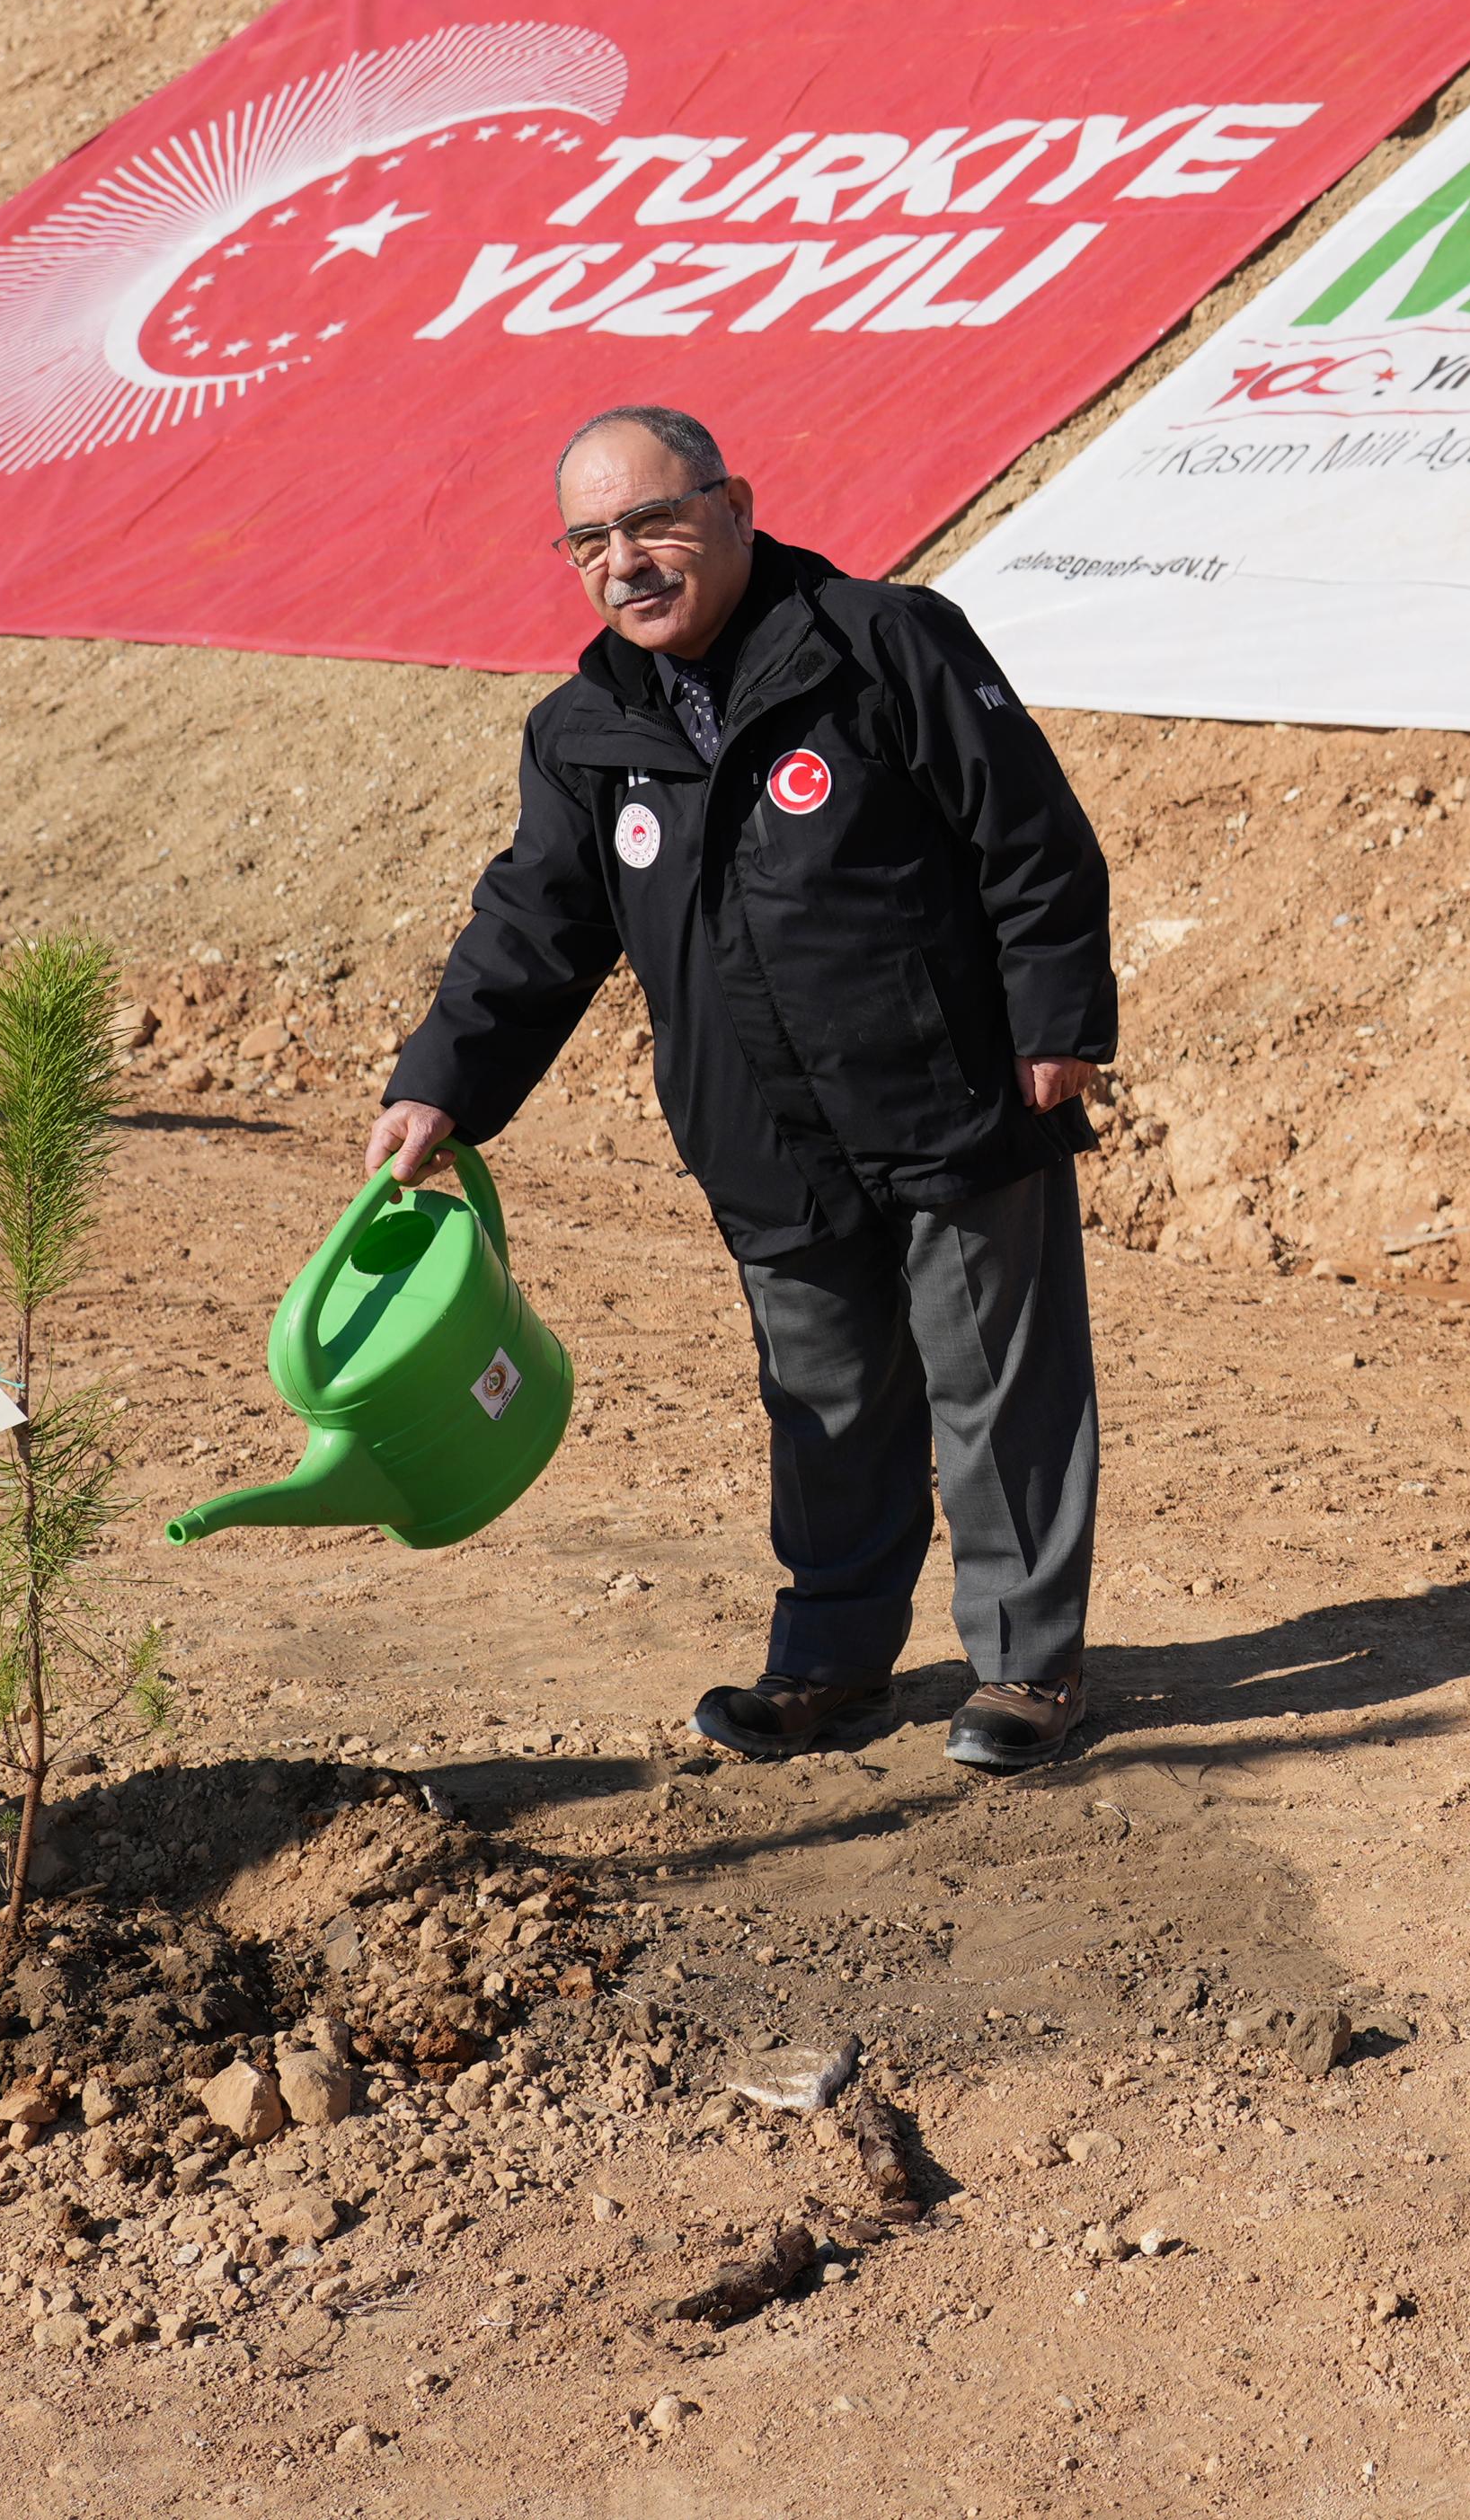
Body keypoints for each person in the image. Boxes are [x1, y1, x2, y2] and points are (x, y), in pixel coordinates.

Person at [369, 406, 1117, 1772]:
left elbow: (1031, 837)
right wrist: (443, 1086)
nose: (627, 559)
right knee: (821, 1400)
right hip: (760, 1133)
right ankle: (833, 1665)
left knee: (994, 1393)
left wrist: (1054, 1018)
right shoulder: (583, 730)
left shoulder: (885, 642)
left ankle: (1026, 1670)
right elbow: (533, 929)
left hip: (945, 1094)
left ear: (736, 505)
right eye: (591, 538)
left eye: (654, 520)